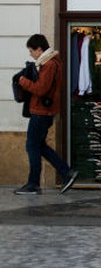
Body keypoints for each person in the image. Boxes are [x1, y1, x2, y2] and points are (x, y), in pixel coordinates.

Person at [15, 34, 78, 196]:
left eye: (31, 50)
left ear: (39, 49)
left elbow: (41, 89)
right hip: (43, 111)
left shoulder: (49, 64)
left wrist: (23, 81)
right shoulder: (49, 62)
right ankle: (66, 172)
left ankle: (33, 184)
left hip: (41, 112)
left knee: (32, 146)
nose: (31, 54)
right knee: (39, 145)